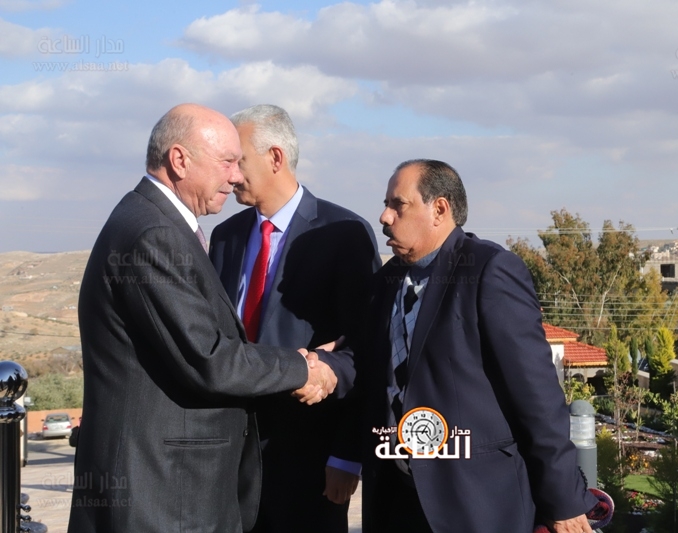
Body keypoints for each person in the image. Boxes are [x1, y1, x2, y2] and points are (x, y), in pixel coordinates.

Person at [68, 103, 337, 533]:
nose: (235, 176)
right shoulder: (154, 234)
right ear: (179, 160)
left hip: (170, 488)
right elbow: (209, 358)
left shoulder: (156, 222)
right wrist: (303, 367)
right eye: (227, 161)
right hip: (161, 493)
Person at [359, 159, 599, 533]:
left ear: (439, 209)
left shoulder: (489, 270)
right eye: (386, 204)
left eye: (398, 204)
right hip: (396, 500)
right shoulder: (386, 281)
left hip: (476, 504)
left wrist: (563, 499)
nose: (384, 216)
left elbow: (536, 395)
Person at [209, 104, 380, 533]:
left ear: (275, 157)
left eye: (237, 161)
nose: (230, 175)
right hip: (229, 463)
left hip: (308, 462)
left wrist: (346, 455)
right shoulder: (225, 237)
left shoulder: (343, 233)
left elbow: (365, 348)